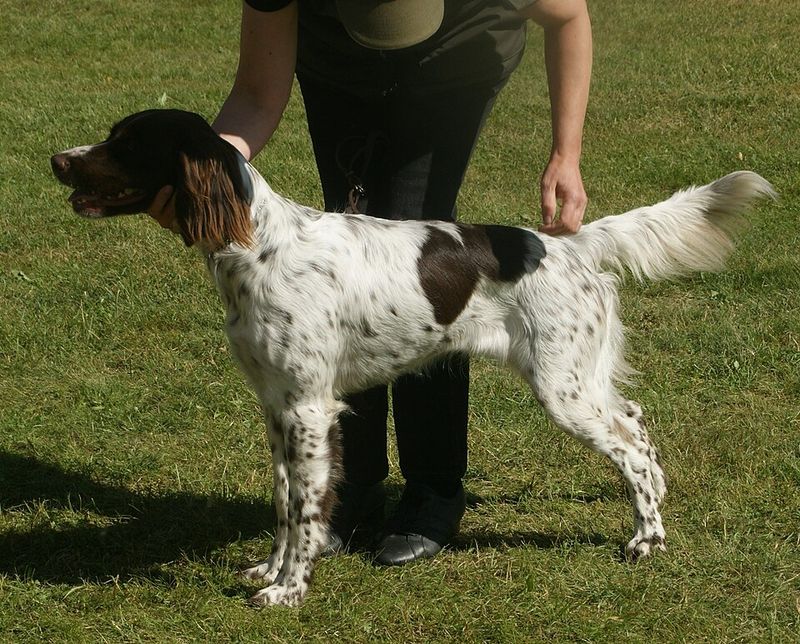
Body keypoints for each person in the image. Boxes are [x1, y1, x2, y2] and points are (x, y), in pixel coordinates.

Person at [150, 0, 592, 566]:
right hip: (337, 66)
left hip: (456, 53)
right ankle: (348, 486)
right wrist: (205, 178)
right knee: (346, 264)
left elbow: (569, 18)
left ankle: (433, 489)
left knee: (419, 247)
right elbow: (256, 96)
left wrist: (566, 152)